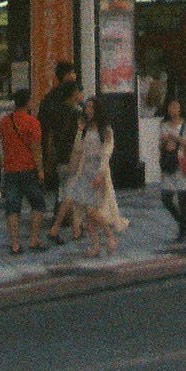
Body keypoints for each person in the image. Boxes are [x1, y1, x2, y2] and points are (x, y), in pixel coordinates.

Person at [63, 105, 123, 257]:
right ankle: (95, 245)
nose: (88, 110)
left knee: (92, 209)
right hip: (85, 171)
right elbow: (78, 148)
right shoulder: (85, 129)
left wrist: (100, 173)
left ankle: (109, 235)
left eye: (91, 107)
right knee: (87, 212)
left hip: (99, 172)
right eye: (87, 107)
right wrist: (79, 130)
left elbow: (106, 153)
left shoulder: (106, 130)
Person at [0, 86, 49, 254]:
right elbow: (36, 149)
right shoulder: (33, 123)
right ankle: (34, 239)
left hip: (10, 168)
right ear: (28, 102)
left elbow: (3, 142)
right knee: (38, 203)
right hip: (28, 168)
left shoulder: (4, 122)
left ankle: (15, 243)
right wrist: (41, 170)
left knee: (12, 206)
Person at [155, 97, 186, 243]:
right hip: (169, 164)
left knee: (183, 198)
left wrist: (176, 139)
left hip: (182, 163)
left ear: (180, 109)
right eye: (170, 107)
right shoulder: (164, 125)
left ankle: (185, 232)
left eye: (175, 107)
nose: (172, 110)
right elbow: (159, 145)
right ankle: (183, 224)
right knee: (166, 198)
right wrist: (164, 144)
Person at [39, 64, 83, 191]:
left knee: (64, 190)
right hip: (67, 151)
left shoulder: (50, 98)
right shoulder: (69, 108)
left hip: (59, 150)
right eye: (72, 72)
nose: (75, 75)